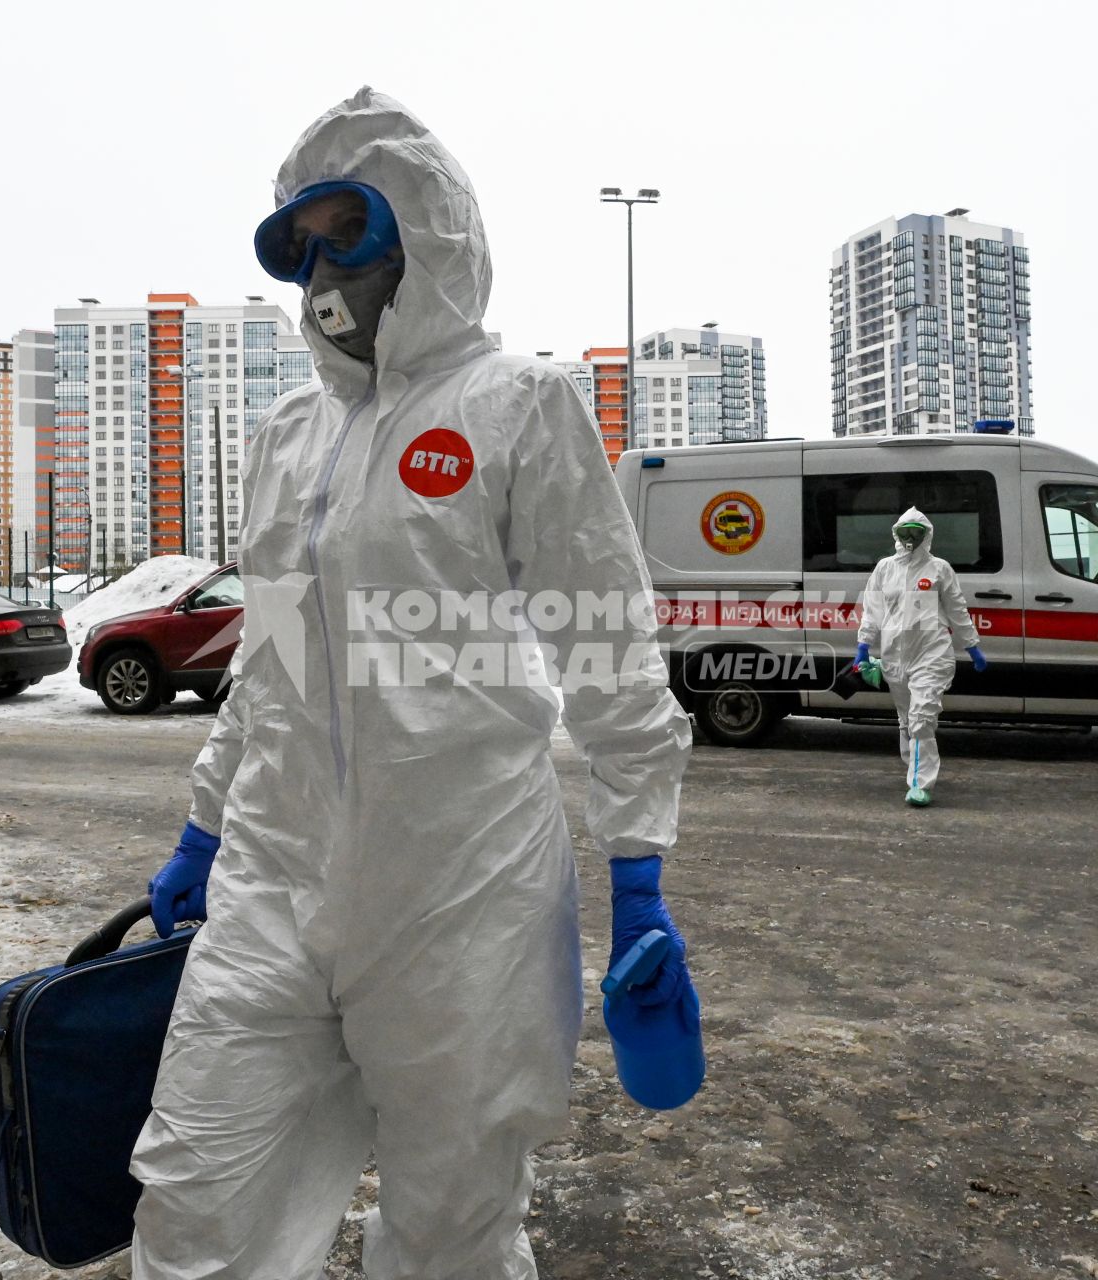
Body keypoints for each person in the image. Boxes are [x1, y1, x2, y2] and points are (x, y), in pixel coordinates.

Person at [131, 87, 696, 1280]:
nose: (325, 267)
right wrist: (205, 823)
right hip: (275, 879)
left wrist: (637, 870)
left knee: (451, 1227)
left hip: (462, 889)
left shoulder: (519, 406)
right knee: (195, 1201)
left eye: (353, 231)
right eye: (302, 243)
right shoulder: (291, 434)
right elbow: (271, 655)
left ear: (428, 233)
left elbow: (607, 644)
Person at [849, 507, 985, 807]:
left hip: (931, 653)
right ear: (896, 534)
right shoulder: (885, 568)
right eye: (905, 532)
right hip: (895, 655)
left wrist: (972, 646)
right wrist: (863, 646)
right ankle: (914, 765)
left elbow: (956, 610)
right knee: (906, 719)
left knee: (921, 719)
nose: (911, 537)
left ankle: (919, 783)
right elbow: (872, 610)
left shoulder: (939, 569)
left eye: (916, 532)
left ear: (927, 535)